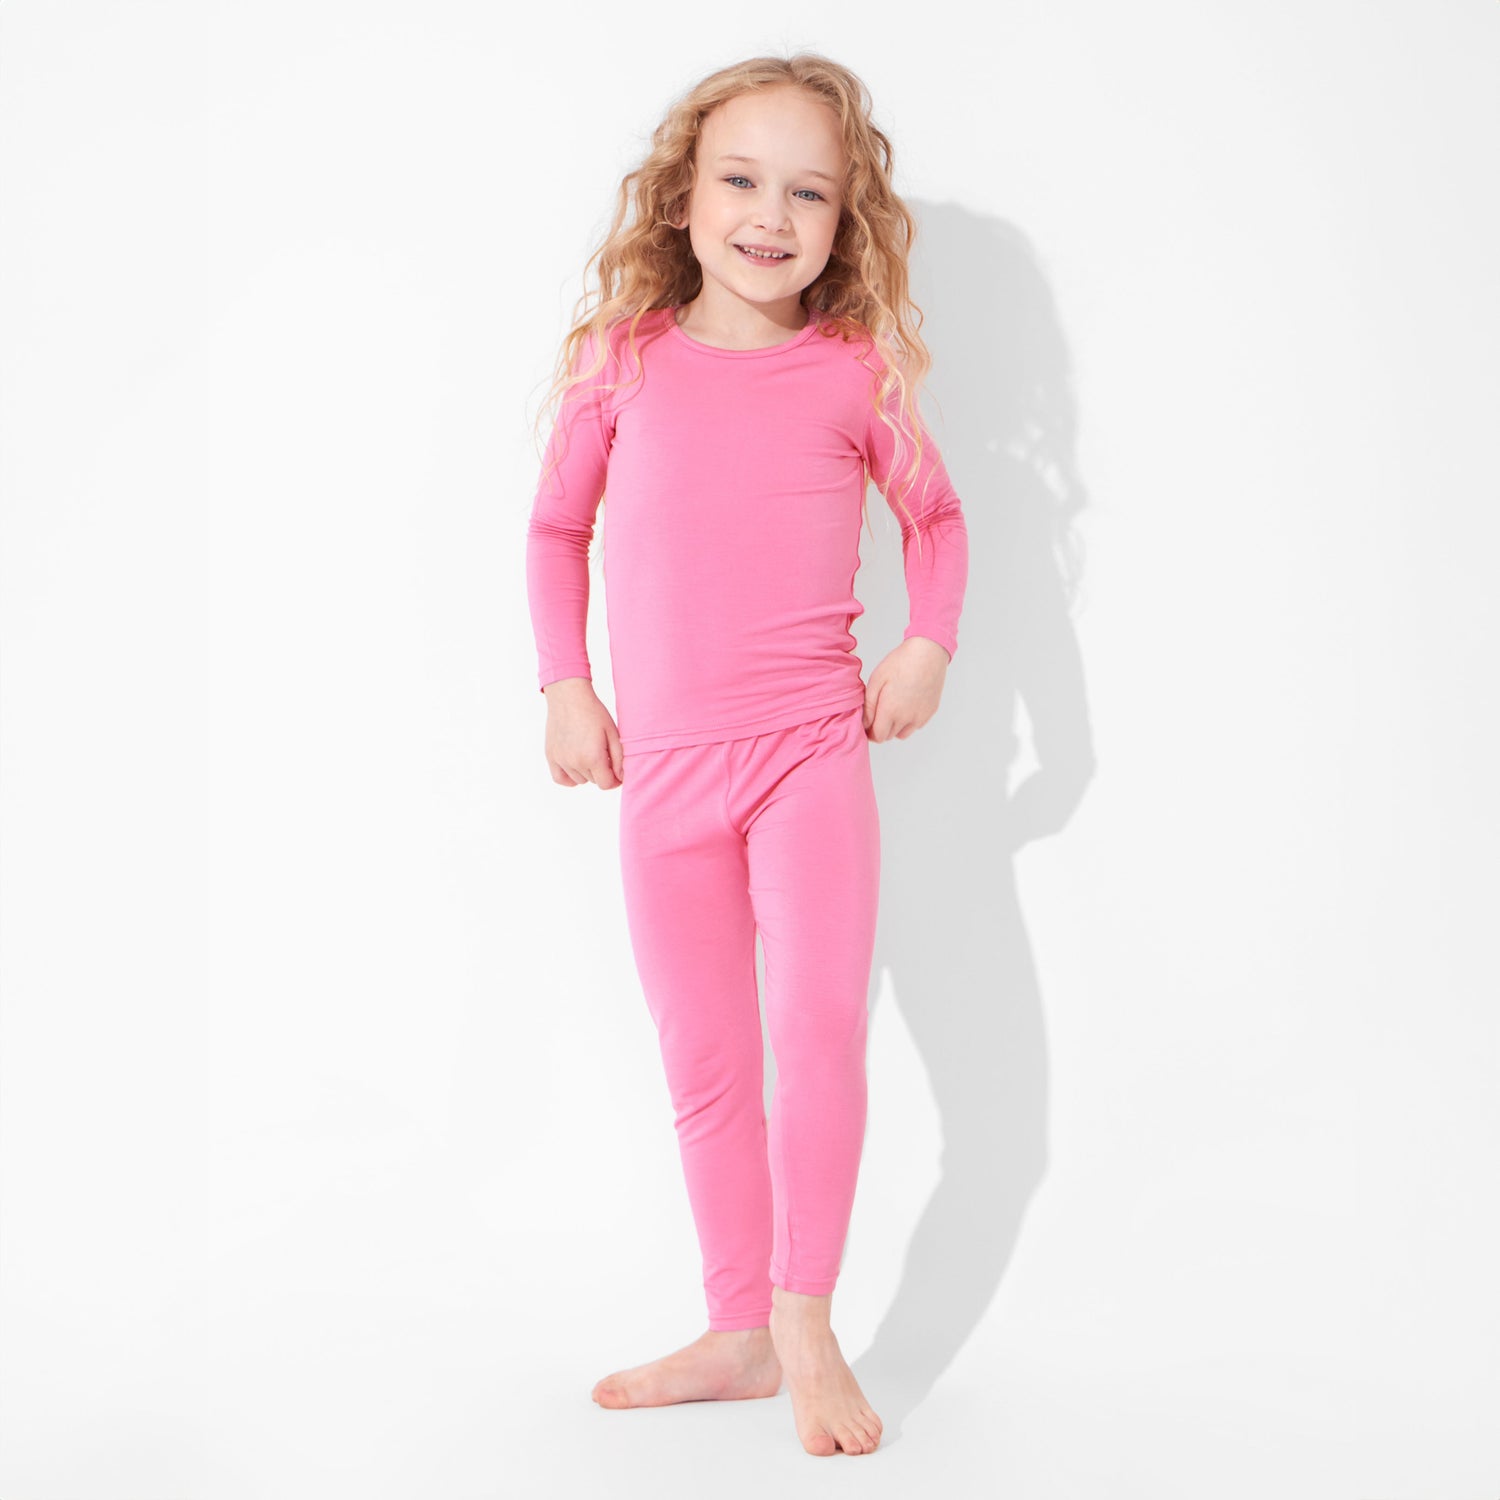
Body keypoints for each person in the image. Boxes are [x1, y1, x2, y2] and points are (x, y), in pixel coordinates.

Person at [524, 52, 969, 1459]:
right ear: (683, 196)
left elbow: (937, 521)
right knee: (708, 1056)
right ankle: (736, 1329)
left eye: (809, 193)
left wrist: (927, 645)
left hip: (809, 761)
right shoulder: (622, 363)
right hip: (664, 774)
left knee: (816, 1036)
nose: (770, 215)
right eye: (741, 179)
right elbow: (556, 529)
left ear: (846, 219)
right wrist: (565, 683)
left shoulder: (853, 373)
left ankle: (805, 1319)